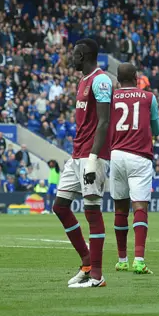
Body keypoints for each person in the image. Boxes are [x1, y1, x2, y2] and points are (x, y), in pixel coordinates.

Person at [54, 38, 111, 289]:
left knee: (92, 211)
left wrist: (93, 157)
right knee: (60, 207)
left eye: (75, 54)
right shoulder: (83, 80)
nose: (72, 58)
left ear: (84, 55)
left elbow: (104, 121)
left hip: (92, 157)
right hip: (77, 154)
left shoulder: (101, 81)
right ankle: (87, 262)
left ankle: (97, 276)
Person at [108, 63, 159, 274]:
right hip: (139, 156)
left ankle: (122, 259)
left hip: (116, 155)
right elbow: (155, 128)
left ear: (118, 80)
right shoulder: (149, 98)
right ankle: (139, 260)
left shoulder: (110, 98)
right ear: (137, 77)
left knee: (120, 208)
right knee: (140, 207)